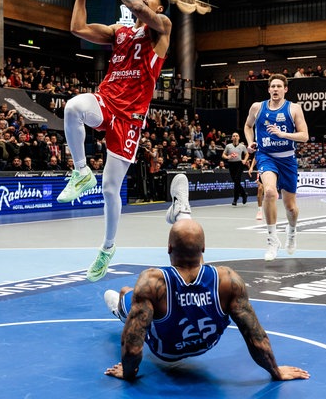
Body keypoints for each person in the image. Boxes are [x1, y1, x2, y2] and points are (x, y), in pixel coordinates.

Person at [103, 174, 310, 383]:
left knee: (125, 293)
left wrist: (128, 373)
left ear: (168, 248)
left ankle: (119, 308)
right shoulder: (228, 280)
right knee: (199, 276)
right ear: (204, 249)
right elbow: (256, 338)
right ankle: (183, 213)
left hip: (166, 351)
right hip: (205, 344)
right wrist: (276, 371)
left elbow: (133, 346)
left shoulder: (153, 282)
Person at [56, 0, 172, 282]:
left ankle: (107, 247)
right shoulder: (118, 33)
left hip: (131, 117)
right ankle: (80, 172)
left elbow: (140, 10)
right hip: (107, 100)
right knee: (74, 107)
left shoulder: (161, 29)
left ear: (159, 7)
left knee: (110, 188)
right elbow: (77, 27)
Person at [244, 74, 309, 261]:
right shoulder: (258, 107)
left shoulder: (293, 109)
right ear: (268, 89)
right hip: (266, 156)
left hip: (287, 159)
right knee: (270, 192)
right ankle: (272, 240)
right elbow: (248, 126)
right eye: (272, 86)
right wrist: (250, 142)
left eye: (279, 86)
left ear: (285, 89)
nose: (275, 89)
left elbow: (304, 136)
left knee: (291, 208)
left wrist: (283, 134)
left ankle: (292, 232)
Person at [222, 132, 249, 206]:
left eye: (237, 136)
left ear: (239, 137)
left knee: (237, 180)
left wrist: (245, 160)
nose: (235, 137)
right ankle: (244, 194)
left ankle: (235, 199)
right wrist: (227, 157)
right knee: (235, 181)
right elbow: (223, 154)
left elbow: (247, 153)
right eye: (233, 136)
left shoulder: (242, 146)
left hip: (239, 164)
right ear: (232, 138)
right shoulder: (228, 146)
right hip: (231, 164)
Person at [248, 155, 264, 220]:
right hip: (261, 170)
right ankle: (259, 211)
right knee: (260, 189)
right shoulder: (260, 148)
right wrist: (251, 167)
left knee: (270, 193)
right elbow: (255, 157)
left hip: (271, 170)